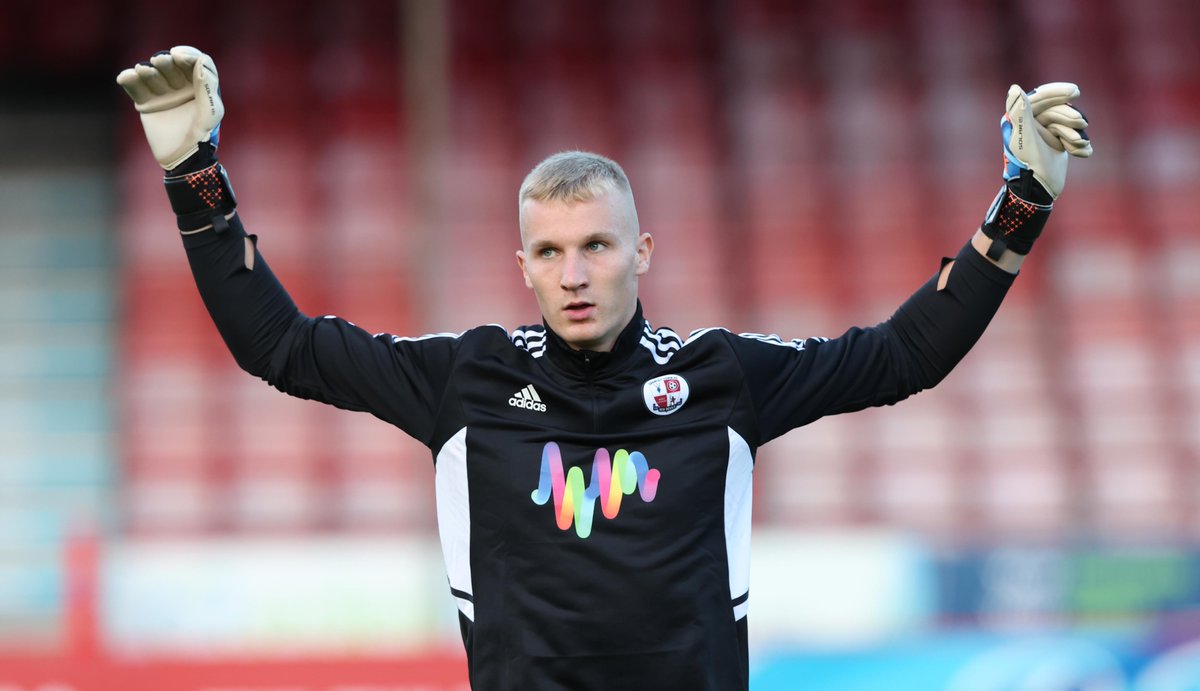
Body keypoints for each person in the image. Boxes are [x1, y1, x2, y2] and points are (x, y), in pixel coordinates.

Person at [117, 46, 1092, 690]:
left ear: (642, 252)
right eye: (549, 252)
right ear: (523, 265)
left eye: (596, 245)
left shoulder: (722, 376)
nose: (574, 274)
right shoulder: (466, 378)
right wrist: (192, 171)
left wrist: (1023, 201)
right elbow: (279, 346)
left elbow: (903, 354)